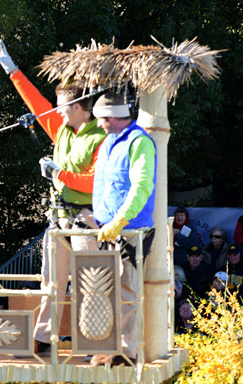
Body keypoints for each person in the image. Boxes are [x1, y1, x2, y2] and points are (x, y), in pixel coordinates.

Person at [0, 38, 106, 355]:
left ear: (78, 108)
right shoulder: (64, 130)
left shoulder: (100, 136)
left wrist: (58, 174)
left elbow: (95, 183)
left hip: (86, 217)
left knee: (90, 282)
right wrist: (12, 71)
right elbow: (38, 106)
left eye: (63, 107)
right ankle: (42, 337)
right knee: (51, 282)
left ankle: (95, 341)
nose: (58, 112)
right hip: (60, 217)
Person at [89, 92, 156, 366]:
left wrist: (120, 220)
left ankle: (127, 351)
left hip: (130, 231)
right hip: (107, 230)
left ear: (113, 117)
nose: (100, 124)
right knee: (106, 292)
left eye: (102, 119)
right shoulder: (108, 142)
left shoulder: (140, 142)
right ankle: (110, 347)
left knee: (127, 292)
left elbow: (142, 186)